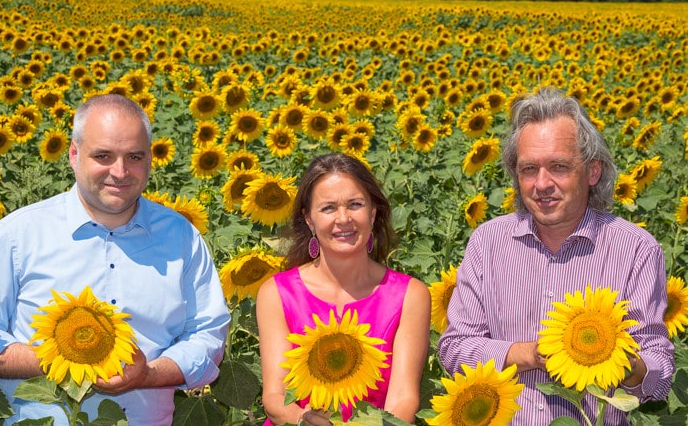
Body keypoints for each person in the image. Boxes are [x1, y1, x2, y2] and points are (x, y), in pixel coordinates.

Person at [0, 94, 231, 425]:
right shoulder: (18, 235)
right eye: (103, 155)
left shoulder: (181, 238)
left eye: (135, 157)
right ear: (73, 154)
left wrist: (149, 374)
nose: (120, 171)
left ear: (150, 160)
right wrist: (65, 357)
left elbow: (208, 334)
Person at [438, 87, 675, 425]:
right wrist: (526, 354)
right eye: (529, 169)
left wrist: (612, 354)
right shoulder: (487, 243)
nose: (542, 183)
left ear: (592, 172)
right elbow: (454, 349)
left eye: (559, 167)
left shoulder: (635, 249)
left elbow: (660, 372)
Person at [257, 153, 431, 426]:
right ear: (309, 220)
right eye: (328, 208)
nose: (343, 218)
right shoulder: (277, 293)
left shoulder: (410, 295)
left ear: (373, 214)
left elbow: (403, 400)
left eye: (355, 204)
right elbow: (275, 397)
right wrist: (304, 418)